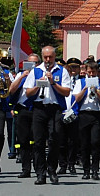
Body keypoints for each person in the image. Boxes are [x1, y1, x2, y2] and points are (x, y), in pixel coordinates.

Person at [24, 45, 71, 185]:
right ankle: (40, 173)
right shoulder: (36, 71)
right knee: (38, 142)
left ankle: (52, 170)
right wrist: (39, 84)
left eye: (50, 57)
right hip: (39, 108)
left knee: (54, 140)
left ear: (54, 57)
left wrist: (53, 83)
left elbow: (67, 92)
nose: (48, 60)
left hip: (55, 108)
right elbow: (27, 92)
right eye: (45, 57)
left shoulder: (61, 71)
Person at [9, 53, 42, 178]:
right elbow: (11, 90)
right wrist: (22, 76)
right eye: (29, 63)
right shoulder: (20, 75)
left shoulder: (40, 74)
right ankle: (25, 168)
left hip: (36, 109)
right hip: (22, 109)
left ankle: (38, 167)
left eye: (35, 63)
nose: (32, 66)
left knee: (36, 140)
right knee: (23, 140)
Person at [73, 61, 100, 180]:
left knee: (95, 143)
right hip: (83, 114)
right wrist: (85, 88)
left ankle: (95, 170)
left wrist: (96, 91)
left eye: (93, 72)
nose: (91, 74)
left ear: (97, 72)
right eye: (89, 72)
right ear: (86, 71)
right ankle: (86, 170)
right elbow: (76, 99)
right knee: (84, 144)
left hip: (96, 114)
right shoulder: (80, 82)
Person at [58, 57, 81, 175]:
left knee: (73, 141)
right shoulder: (61, 81)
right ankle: (62, 165)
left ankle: (71, 164)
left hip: (74, 113)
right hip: (61, 112)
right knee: (61, 141)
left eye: (74, 67)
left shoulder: (80, 80)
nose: (72, 70)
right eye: (69, 68)